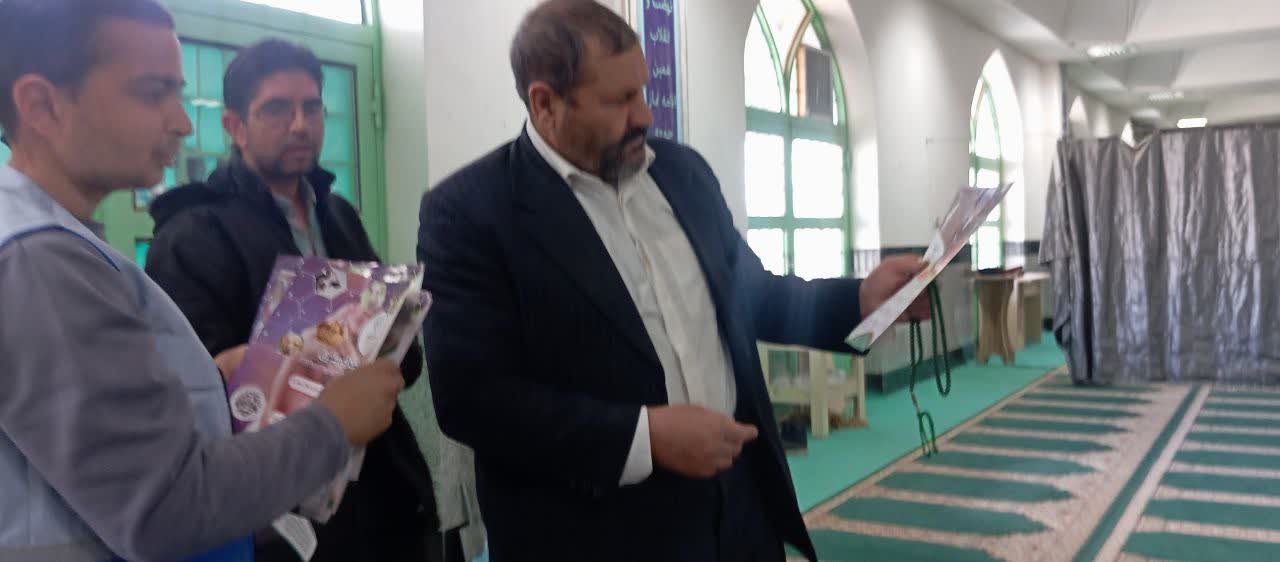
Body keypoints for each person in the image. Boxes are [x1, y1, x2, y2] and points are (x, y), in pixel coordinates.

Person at [416, 1, 929, 561]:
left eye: (642, 90)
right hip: (598, 531)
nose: (644, 115)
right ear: (545, 104)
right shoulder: (472, 213)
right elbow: (474, 399)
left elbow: (751, 295)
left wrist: (860, 299)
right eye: (619, 100)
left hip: (738, 508)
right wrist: (644, 439)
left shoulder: (682, 173)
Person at [0, 1, 405, 561]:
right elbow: (166, 505)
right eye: (153, 93)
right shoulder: (39, 260)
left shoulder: (58, 242)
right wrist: (334, 424)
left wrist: (214, 379)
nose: (183, 122)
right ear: (43, 105)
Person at [145, 39, 458, 562]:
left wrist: (390, 351)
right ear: (234, 125)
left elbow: (401, 354)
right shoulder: (192, 234)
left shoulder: (338, 215)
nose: (299, 125)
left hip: (378, 488)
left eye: (312, 108)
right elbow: (200, 395)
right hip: (277, 508)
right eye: (276, 109)